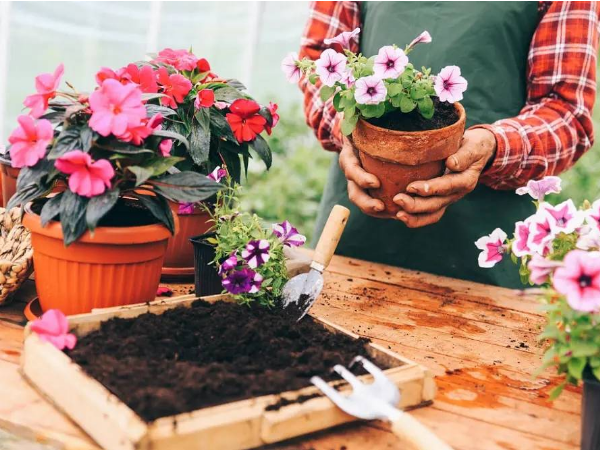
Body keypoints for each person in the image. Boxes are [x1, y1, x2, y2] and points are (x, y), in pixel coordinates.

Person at [299, 1, 600, 288]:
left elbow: (565, 110)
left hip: (488, 243)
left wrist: (493, 146)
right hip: (360, 227)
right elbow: (320, 59)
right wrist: (348, 130)